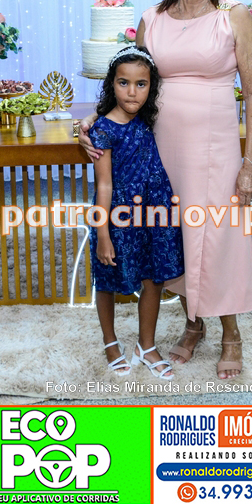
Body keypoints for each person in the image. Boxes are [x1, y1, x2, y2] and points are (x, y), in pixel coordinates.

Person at [82, 0, 252, 379]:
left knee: (219, 236)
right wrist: (92, 122)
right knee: (174, 236)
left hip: (216, 149)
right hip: (158, 150)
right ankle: (193, 324)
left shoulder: (233, 16)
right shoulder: (153, 18)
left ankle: (231, 333)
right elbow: (132, 82)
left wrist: (251, 162)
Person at [89, 46, 184, 380]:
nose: (132, 92)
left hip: (155, 214)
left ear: (151, 86)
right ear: (111, 84)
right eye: (123, 83)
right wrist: (103, 234)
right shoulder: (104, 130)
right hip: (118, 217)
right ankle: (110, 342)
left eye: (141, 84)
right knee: (107, 280)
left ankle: (146, 345)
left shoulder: (148, 118)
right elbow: (104, 185)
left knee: (153, 279)